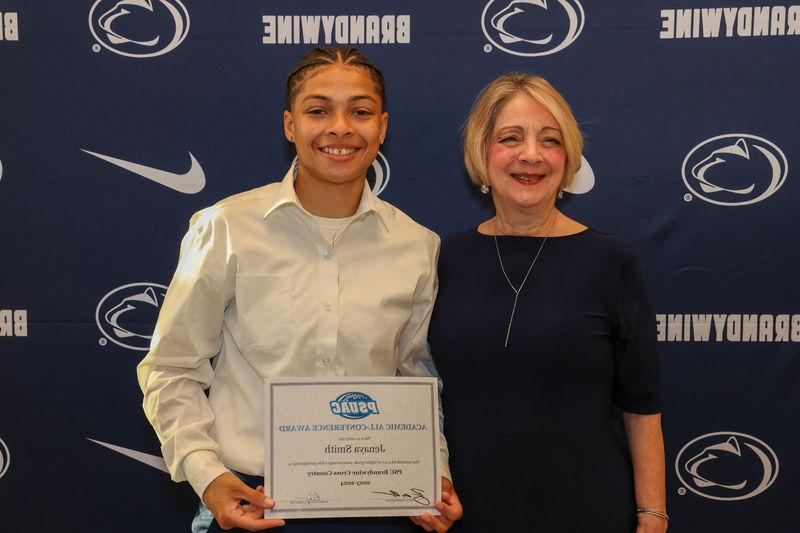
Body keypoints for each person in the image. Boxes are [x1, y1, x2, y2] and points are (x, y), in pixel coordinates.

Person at [137, 47, 462, 533]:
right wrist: (208, 475)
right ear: (290, 125)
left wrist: (431, 474)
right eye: (317, 110)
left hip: (377, 506)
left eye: (360, 111)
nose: (340, 127)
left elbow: (417, 377)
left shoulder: (417, 246)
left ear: (383, 126)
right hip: (252, 502)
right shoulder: (226, 228)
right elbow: (171, 369)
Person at [427, 73, 667, 532]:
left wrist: (652, 517)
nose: (531, 155)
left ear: (568, 160)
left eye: (550, 140)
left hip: (589, 508)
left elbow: (642, 405)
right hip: (460, 513)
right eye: (510, 138)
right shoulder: (442, 258)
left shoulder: (611, 261)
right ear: (482, 153)